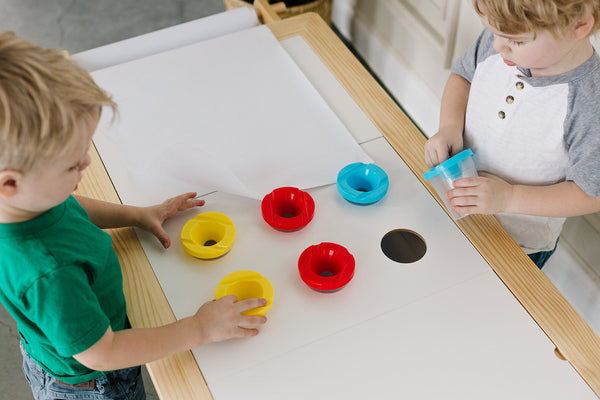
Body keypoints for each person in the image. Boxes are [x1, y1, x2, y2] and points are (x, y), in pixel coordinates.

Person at [0, 31, 267, 400]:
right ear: (10, 183)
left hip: (70, 345)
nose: (87, 164)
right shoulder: (48, 273)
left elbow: (71, 209)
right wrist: (199, 329)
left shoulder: (24, 203)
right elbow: (103, 352)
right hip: (91, 385)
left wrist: (137, 215)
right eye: (72, 165)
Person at [424, 0, 600, 268]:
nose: (496, 45)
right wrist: (449, 127)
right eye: (493, 33)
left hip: (517, 245)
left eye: (515, 41)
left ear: (578, 27)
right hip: (456, 212)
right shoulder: (504, 38)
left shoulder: (588, 104)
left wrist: (509, 197)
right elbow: (462, 76)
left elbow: (591, 193)